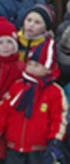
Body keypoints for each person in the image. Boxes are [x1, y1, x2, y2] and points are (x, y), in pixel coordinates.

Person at [0, 38, 68, 164]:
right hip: (13, 146)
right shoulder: (18, 86)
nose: (31, 68)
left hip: (38, 149)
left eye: (36, 65)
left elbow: (59, 118)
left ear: (48, 69)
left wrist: (55, 140)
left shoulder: (54, 91)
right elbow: (4, 109)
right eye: (29, 63)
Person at [0, 18, 23, 163]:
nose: (5, 46)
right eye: (1, 42)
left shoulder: (21, 68)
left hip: (11, 124)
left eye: (9, 42)